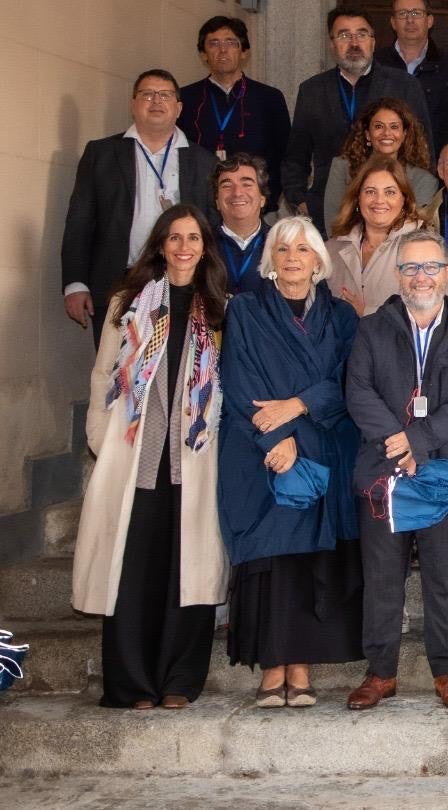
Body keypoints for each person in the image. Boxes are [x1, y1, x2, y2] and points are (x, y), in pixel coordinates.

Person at [73, 204, 228, 709]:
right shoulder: (128, 303)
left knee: (187, 570)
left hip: (194, 457)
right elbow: (103, 374)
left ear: (205, 247)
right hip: (135, 455)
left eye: (193, 238)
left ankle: (179, 680)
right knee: (132, 570)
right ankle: (131, 683)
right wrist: (102, 439)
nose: (184, 247)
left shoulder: (220, 307)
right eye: (174, 237)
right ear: (160, 245)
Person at [216, 217, 363, 708]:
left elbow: (350, 379)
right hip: (261, 450)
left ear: (319, 259)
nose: (293, 258)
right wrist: (278, 438)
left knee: (309, 560)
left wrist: (298, 410)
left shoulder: (342, 316)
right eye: (283, 249)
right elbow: (239, 381)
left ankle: (300, 665)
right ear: (270, 260)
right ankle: (271, 666)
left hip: (323, 445)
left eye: (303, 249)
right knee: (272, 556)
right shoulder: (245, 310)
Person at [344, 230, 448, 711]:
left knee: (445, 578)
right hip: (383, 473)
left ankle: (447, 670)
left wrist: (418, 442)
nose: (420, 277)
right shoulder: (371, 328)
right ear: (398, 275)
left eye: (430, 267)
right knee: (382, 579)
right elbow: (358, 392)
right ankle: (380, 672)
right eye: (410, 268)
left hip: (443, 473)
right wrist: (397, 442)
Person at [62, 71, 218, 343]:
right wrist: (75, 283)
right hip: (118, 282)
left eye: (165, 95)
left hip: (182, 282)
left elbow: (212, 228)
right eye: (147, 94)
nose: (156, 100)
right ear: (133, 105)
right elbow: (80, 220)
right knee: (114, 364)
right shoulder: (101, 153)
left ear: (179, 108)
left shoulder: (204, 161)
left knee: (173, 363)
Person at [281, 7, 431, 232]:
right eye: (344, 35)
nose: (354, 43)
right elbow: (295, 156)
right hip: (326, 211)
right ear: (332, 44)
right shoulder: (312, 90)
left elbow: (424, 149)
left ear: (373, 41)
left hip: (389, 211)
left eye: (361, 34)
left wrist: (414, 205)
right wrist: (300, 200)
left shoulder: (404, 85)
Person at [178, 16, 291, 211]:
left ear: (244, 52)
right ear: (203, 54)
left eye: (231, 43)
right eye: (214, 43)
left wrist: (268, 198)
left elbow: (285, 155)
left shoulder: (269, 97)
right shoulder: (185, 99)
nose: (223, 50)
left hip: (256, 205)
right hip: (200, 205)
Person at [325, 155, 425, 317]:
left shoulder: (424, 247)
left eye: (390, 192)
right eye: (370, 191)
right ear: (358, 198)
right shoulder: (331, 249)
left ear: (404, 200)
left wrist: (367, 312)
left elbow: (431, 312)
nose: (379, 200)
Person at [322, 98, 440, 226]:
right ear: (368, 134)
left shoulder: (424, 180)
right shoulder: (342, 167)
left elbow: (414, 226)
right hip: (348, 238)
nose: (387, 133)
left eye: (394, 127)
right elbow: (334, 222)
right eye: (378, 126)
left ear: (404, 135)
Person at [374, 0, 448, 135]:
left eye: (416, 13)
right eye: (402, 14)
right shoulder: (376, 64)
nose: (410, 20)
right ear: (393, 22)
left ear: (429, 21)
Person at [212, 153, 273, 297]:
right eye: (227, 185)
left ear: (262, 199)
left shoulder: (282, 243)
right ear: (217, 202)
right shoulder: (200, 245)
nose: (237, 193)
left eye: (247, 184)